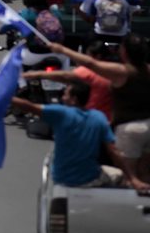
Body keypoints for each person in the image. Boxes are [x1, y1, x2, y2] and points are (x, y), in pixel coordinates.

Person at [11, 79, 149, 192]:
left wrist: (6, 97)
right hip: (90, 178)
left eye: (65, 94)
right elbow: (113, 151)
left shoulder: (61, 114)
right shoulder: (98, 118)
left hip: (62, 178)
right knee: (119, 176)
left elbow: (29, 106)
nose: (63, 97)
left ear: (74, 99)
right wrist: (133, 179)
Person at [49, 35, 150, 182]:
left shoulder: (121, 72)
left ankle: (128, 204)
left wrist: (62, 49)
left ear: (124, 52)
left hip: (129, 129)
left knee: (129, 176)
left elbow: (90, 63)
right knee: (145, 172)